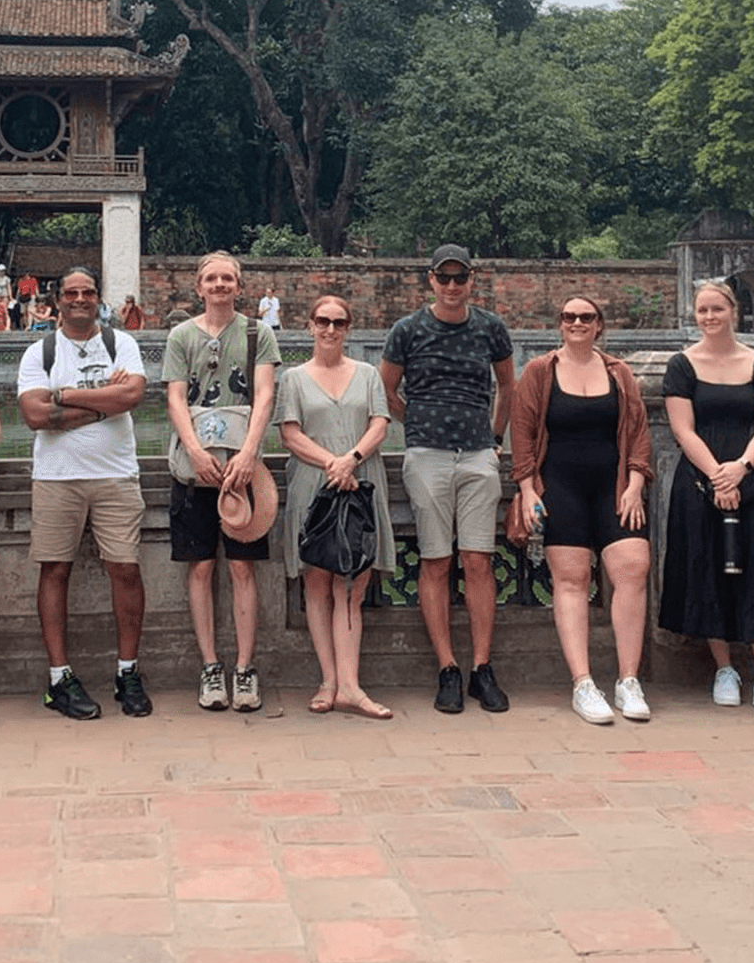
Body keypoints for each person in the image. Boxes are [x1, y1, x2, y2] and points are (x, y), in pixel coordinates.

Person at [380, 244, 515, 714]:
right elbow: (387, 388)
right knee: (436, 559)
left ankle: (482, 667)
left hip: (478, 452)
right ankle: (447, 667)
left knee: (478, 559)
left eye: (461, 279)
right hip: (427, 453)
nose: (453, 287)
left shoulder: (490, 328)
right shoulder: (408, 330)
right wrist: (414, 422)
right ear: (431, 280)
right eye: (445, 278)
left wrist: (496, 437)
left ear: (472, 280)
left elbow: (507, 385)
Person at [508, 295, 653, 725]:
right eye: (569, 317)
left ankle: (628, 680)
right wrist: (527, 489)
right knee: (571, 579)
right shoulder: (540, 372)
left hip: (613, 485)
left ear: (599, 325)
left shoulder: (618, 372)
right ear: (560, 324)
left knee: (633, 567)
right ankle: (583, 682)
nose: (577, 323)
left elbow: (638, 429)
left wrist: (636, 483)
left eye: (585, 317)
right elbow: (522, 431)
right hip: (562, 485)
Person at [17, 265, 152, 720]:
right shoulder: (40, 351)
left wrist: (65, 396)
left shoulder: (122, 343)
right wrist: (100, 402)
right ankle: (59, 677)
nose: (79, 299)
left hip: (116, 473)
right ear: (58, 300)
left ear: (99, 298)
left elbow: (132, 397)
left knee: (126, 569)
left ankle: (127, 670)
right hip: (56, 475)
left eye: (88, 292)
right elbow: (33, 416)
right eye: (71, 292)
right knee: (54, 570)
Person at [659, 280, 754, 721]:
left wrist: (741, 468)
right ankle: (724, 669)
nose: (710, 317)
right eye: (702, 310)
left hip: (752, 476)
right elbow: (683, 429)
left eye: (718, 308)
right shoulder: (683, 365)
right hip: (700, 479)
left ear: (734, 311)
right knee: (708, 568)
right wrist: (718, 475)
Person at [164, 250, 280, 712]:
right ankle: (211, 665)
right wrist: (192, 449)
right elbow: (174, 397)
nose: (219, 285)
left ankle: (245, 666)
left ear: (239, 285)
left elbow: (265, 394)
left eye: (227, 278)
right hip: (195, 468)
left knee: (242, 567)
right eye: (211, 278)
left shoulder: (258, 333)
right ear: (199, 286)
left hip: (242, 466)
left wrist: (251, 451)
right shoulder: (180, 336)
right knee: (200, 566)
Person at [277, 294, 396, 719]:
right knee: (317, 582)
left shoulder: (366, 374)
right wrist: (332, 461)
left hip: (360, 483)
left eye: (339, 323)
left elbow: (380, 424)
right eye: (323, 321)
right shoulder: (293, 378)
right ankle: (329, 680)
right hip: (315, 484)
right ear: (309, 325)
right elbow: (289, 434)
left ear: (348, 328)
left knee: (351, 585)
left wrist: (352, 460)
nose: (330, 330)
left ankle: (351, 684)